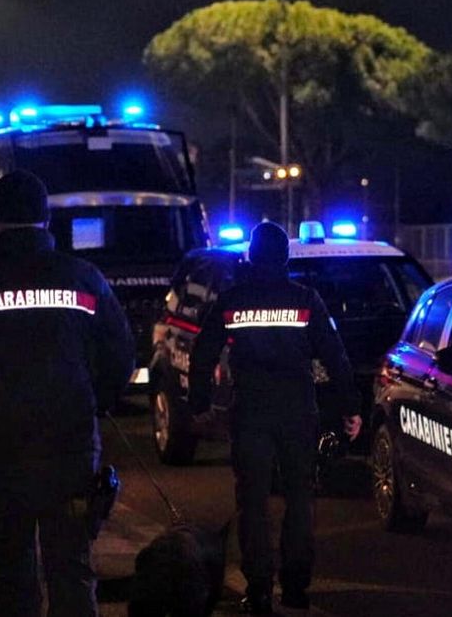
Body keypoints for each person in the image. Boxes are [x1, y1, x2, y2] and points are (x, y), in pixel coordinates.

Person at [0, 169, 134, 617]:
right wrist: (94, 400)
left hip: (3, 450)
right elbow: (121, 359)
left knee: (14, 570)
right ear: (46, 216)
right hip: (70, 446)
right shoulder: (84, 278)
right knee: (71, 566)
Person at [188, 221, 360, 613]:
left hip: (250, 412)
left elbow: (203, 353)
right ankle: (296, 586)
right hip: (297, 411)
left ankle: (260, 588)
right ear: (286, 257)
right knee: (300, 498)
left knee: (253, 501)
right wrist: (350, 407)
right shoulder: (305, 299)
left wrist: (199, 403)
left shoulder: (232, 300)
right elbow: (334, 355)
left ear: (251, 256)